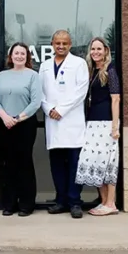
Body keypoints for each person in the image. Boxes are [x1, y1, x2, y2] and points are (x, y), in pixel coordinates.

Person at [40, 29, 90, 219]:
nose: (61, 46)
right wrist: (48, 108)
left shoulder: (79, 64)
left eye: (65, 43)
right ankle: (61, 200)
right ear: (52, 44)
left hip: (72, 122)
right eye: (57, 43)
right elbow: (41, 92)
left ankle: (75, 201)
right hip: (53, 122)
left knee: (75, 166)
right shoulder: (44, 66)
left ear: (70, 45)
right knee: (57, 166)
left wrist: (60, 109)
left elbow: (80, 92)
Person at [0, 42, 43, 216]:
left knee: (24, 163)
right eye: (16, 53)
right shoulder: (2, 75)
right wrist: (5, 117)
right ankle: (10, 203)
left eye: (23, 53)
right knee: (8, 164)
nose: (19, 56)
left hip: (25, 124)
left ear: (27, 57)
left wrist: (17, 118)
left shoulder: (33, 75)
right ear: (11, 56)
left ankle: (26, 204)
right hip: (6, 124)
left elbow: (36, 102)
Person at [75, 37, 122, 216]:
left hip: (106, 123)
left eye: (99, 49)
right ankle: (103, 202)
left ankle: (111, 203)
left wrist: (115, 126)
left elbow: (116, 98)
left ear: (106, 51)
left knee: (108, 162)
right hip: (92, 123)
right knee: (95, 162)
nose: (95, 52)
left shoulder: (110, 70)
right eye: (93, 49)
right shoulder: (92, 70)